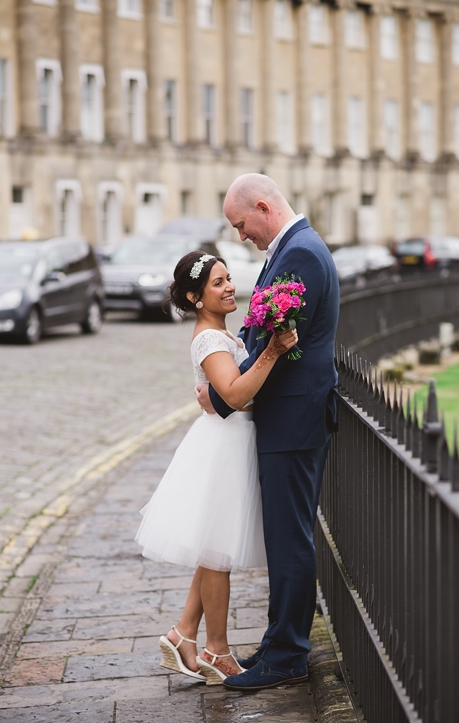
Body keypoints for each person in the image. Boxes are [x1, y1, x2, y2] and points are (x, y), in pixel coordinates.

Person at [196, 173, 340, 691]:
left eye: (241, 225)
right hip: (291, 415)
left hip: (294, 418)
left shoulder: (299, 252)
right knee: (287, 536)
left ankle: (288, 656)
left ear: (262, 207)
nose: (241, 236)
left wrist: (220, 394)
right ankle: (280, 641)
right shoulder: (295, 247)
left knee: (290, 540)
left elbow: (278, 342)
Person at [136, 251, 298, 685]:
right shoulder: (208, 339)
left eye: (228, 278)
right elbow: (234, 394)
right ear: (195, 296)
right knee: (218, 554)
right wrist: (274, 353)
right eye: (217, 283)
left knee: (213, 551)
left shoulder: (222, 332)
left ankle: (184, 633)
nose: (229, 287)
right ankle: (217, 650)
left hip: (230, 441)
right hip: (223, 447)